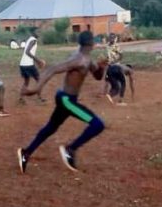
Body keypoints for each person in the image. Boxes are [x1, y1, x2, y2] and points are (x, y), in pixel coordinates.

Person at [17, 31, 107, 173]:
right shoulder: (79, 59)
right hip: (67, 100)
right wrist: (36, 89)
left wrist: (102, 66)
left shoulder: (86, 59)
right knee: (98, 124)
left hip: (65, 98)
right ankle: (70, 149)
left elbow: (97, 76)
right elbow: (53, 69)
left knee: (51, 128)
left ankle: (26, 153)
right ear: (92, 44)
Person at [18, 27, 46, 104]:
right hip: (28, 64)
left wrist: (36, 61)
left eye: (39, 31)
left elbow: (26, 51)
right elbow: (27, 52)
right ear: (33, 33)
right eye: (37, 32)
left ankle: (21, 98)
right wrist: (38, 60)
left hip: (23, 64)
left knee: (27, 81)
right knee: (39, 80)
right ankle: (39, 97)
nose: (39, 33)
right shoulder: (33, 40)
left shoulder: (30, 39)